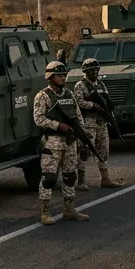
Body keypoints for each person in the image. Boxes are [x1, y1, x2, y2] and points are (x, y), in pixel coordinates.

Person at [33, 61, 90, 225]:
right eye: (59, 75)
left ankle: (69, 209)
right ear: (50, 77)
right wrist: (58, 125)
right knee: (49, 178)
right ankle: (44, 212)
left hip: (70, 142)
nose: (63, 78)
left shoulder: (69, 94)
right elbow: (39, 119)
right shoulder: (42, 96)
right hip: (52, 143)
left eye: (64, 75)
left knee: (70, 176)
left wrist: (82, 138)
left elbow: (78, 117)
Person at [74, 58, 123, 190]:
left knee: (104, 150)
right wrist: (93, 105)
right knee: (84, 151)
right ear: (85, 71)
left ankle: (105, 179)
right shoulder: (81, 85)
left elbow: (106, 102)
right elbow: (78, 102)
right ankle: (81, 181)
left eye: (96, 70)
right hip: (88, 123)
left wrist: (109, 114)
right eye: (92, 70)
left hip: (101, 123)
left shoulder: (100, 84)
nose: (95, 72)